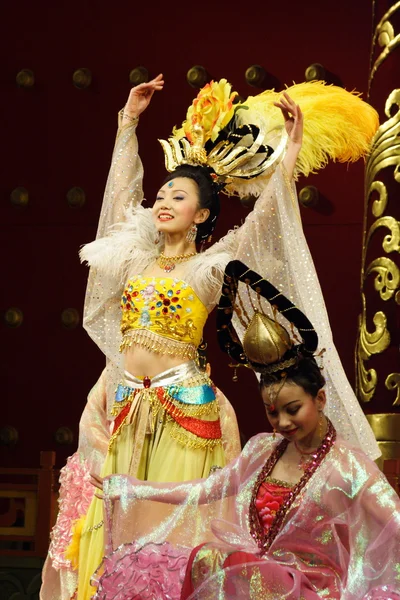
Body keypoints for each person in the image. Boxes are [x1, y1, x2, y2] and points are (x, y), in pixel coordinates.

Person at [41, 75, 380, 600]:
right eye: (160, 194)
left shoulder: (206, 269)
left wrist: (289, 153)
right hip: (126, 410)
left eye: (178, 195)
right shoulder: (131, 258)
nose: (163, 201)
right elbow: (118, 202)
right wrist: (127, 124)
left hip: (184, 414)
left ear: (201, 214)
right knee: (114, 535)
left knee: (168, 537)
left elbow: (265, 223)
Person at [90, 262, 400, 599]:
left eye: (293, 409)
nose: (283, 423)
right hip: (256, 577)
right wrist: (131, 488)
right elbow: (205, 490)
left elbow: (394, 523)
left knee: (224, 563)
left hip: (312, 589)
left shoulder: (349, 467)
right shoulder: (263, 450)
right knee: (204, 558)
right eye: (272, 413)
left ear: (320, 398)